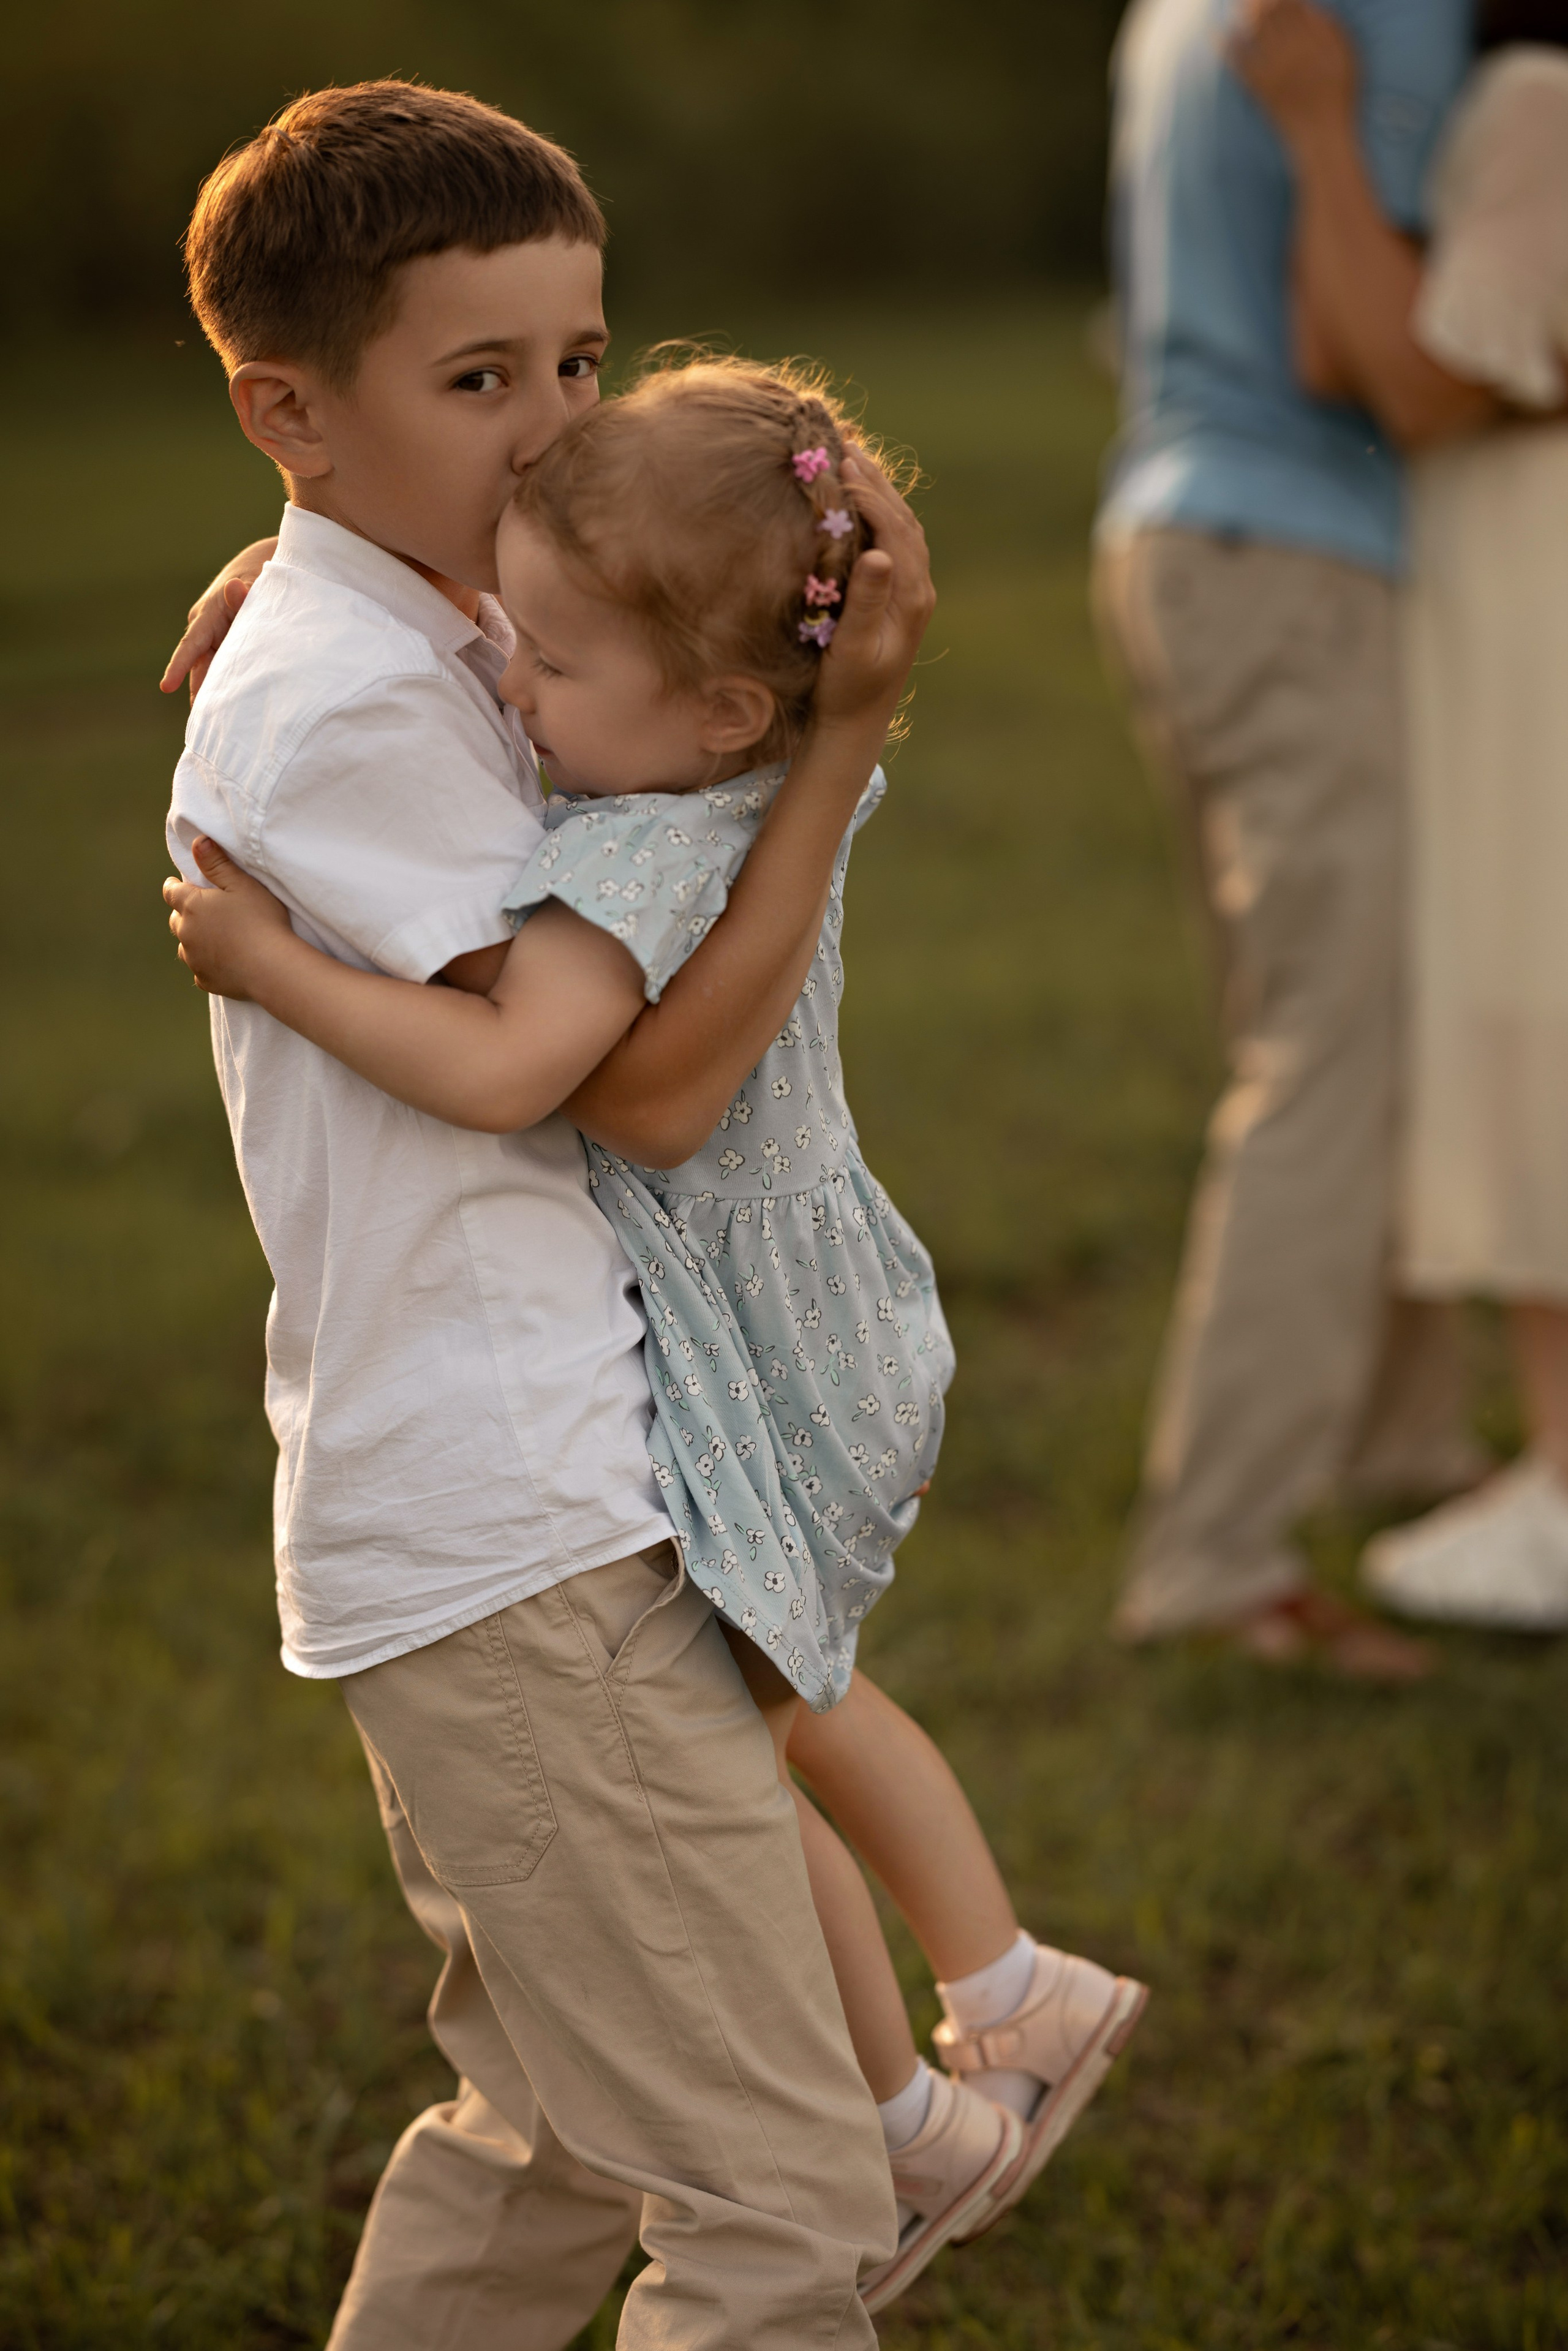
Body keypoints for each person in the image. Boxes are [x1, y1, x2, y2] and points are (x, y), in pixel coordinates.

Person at [167, 350, 1148, 2315]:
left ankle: (940, 2071)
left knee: (755, 1737)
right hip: (795, 1316)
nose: (505, 683)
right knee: (736, 1791)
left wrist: (275, 961)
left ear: (705, 704)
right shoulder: (727, 740)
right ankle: (979, 2029)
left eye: (534, 663)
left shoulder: (640, 836)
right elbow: (676, 527)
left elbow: (567, 1074)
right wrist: (308, 571)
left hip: (737, 1341)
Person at [160, 80, 938, 2347]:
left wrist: (325, 533)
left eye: (578, 363)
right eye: (479, 382)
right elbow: (657, 1088)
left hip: (528, 1507)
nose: (549, 431)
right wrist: (841, 755)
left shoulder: (420, 626)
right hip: (527, 1532)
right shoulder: (347, 709)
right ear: (288, 413)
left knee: (563, 2147)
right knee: (785, 2210)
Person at [1093, 0, 1477, 1677]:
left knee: (1338, 1034)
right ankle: (1218, 1557)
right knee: (1337, 1052)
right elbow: (1368, 352)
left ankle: (1403, 1452)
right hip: (1297, 552)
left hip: (1174, 536)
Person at [1234, 0, 1568, 1629]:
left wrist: (1313, 132)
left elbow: (1409, 379)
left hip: (1535, 607)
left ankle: (1566, 1483)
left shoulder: (1535, 105)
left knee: (1531, 995)